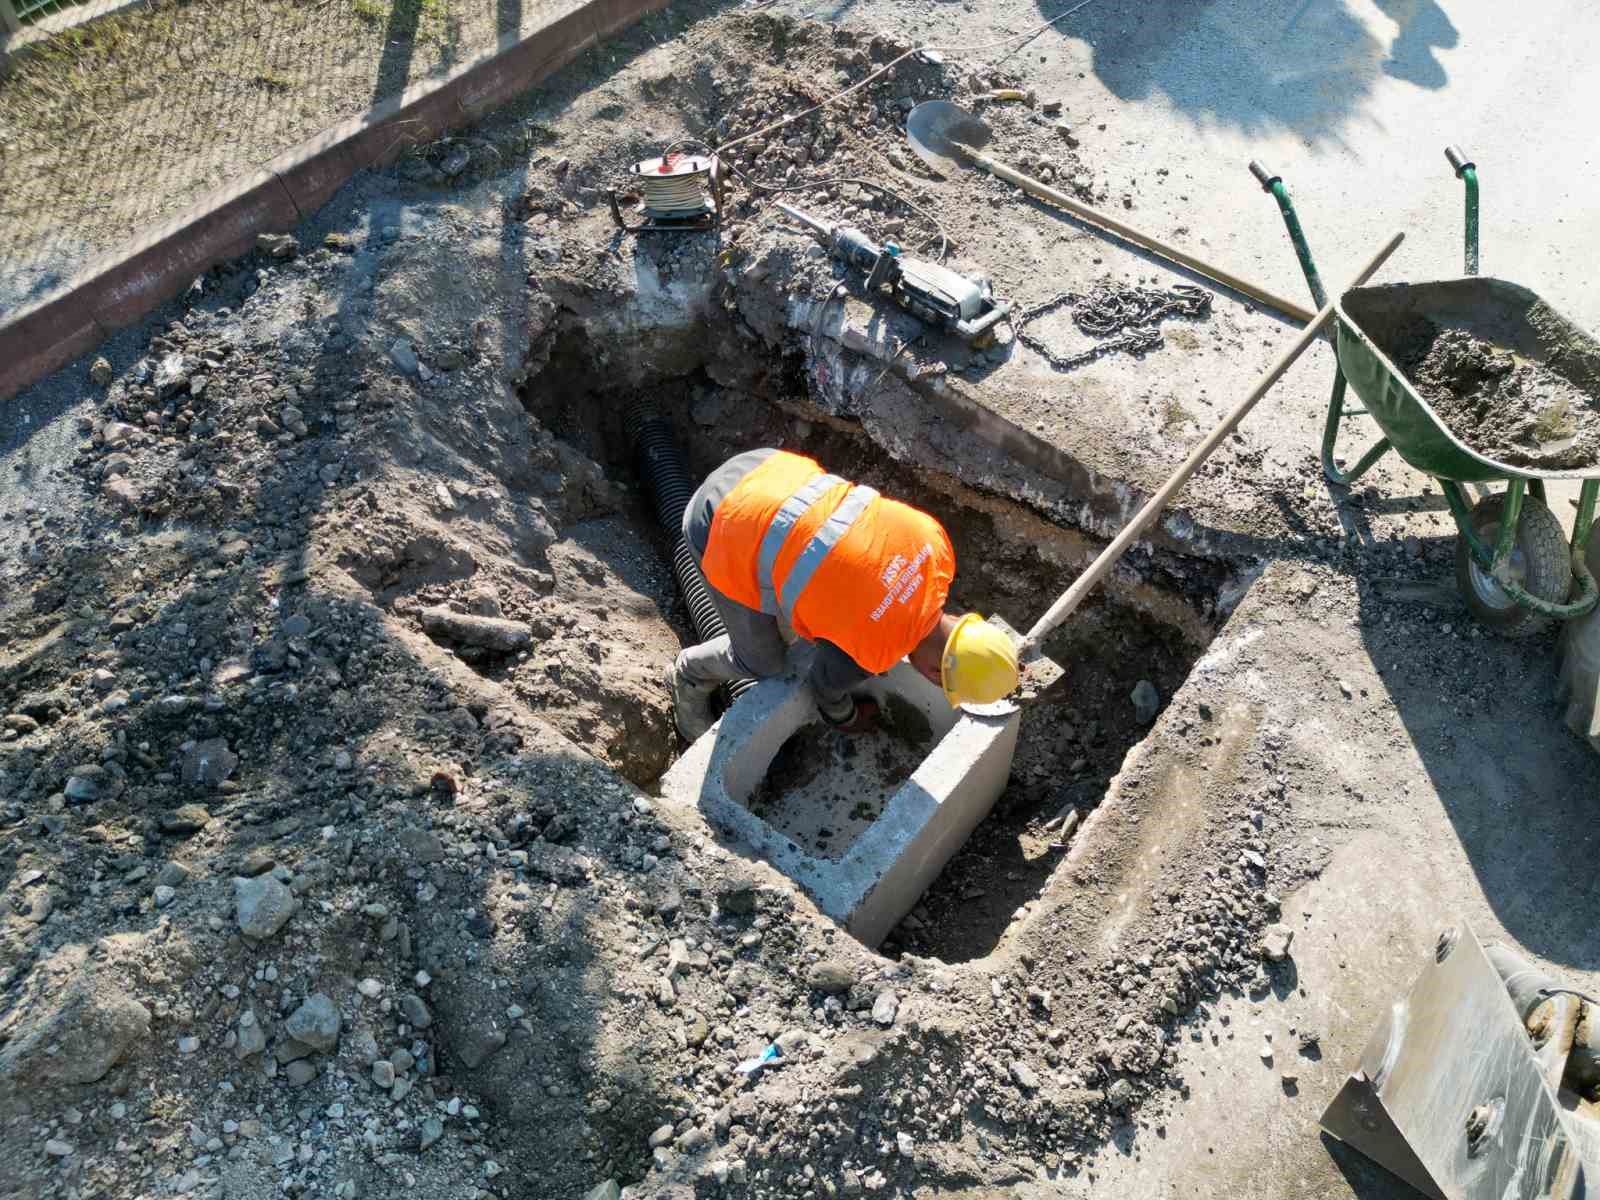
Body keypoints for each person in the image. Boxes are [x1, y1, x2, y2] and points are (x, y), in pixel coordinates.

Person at [668, 447, 1020, 740]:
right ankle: (688, 674)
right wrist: (847, 719)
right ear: (933, 673)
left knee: (795, 612)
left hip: (769, 467)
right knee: (763, 661)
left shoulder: (937, 549)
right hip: (719, 523)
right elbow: (824, 688)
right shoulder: (873, 650)